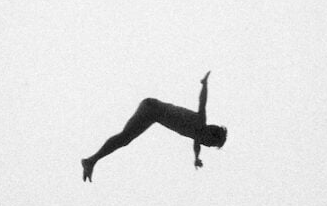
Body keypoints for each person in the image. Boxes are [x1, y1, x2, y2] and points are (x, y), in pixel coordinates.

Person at [81, 71, 226, 182]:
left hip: (152, 114)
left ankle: (91, 161)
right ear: (211, 132)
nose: (207, 145)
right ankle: (90, 161)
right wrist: (204, 84)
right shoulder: (200, 122)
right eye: (211, 142)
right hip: (152, 108)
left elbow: (196, 146)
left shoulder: (197, 135)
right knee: (124, 138)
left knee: (125, 139)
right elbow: (203, 101)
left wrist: (196, 158)